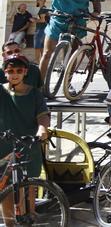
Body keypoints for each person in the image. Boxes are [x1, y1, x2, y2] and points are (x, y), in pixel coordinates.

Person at [0, 54, 50, 223]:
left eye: (19, 71)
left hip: (27, 144)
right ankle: (9, 222)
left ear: (25, 72)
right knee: (7, 186)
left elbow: (43, 116)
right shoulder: (1, 91)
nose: (15, 74)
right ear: (5, 72)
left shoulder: (34, 94)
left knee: (26, 185)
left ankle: (27, 217)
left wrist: (42, 128)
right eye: (11, 71)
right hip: (3, 145)